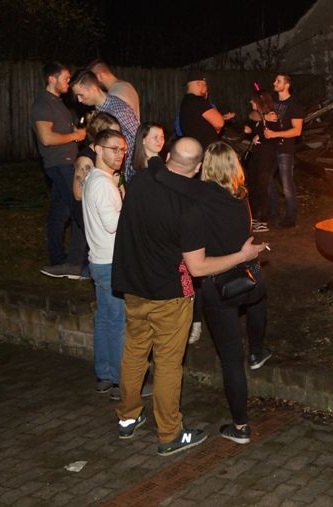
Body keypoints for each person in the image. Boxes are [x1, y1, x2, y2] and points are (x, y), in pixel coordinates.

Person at [111, 137, 263, 456]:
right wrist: (242, 256)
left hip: (134, 284)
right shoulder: (190, 207)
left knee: (135, 351)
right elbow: (198, 267)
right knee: (168, 363)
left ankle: (128, 416)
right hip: (169, 293)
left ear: (170, 155)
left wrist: (155, 160)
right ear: (197, 168)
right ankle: (170, 434)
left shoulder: (139, 182)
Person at [156, 142, 271, 444]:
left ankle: (241, 427)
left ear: (205, 167)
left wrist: (157, 163)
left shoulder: (201, 199)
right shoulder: (241, 195)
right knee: (258, 302)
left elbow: (169, 180)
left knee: (231, 359)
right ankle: (258, 350)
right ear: (235, 166)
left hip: (220, 287)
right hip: (249, 280)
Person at [82, 128, 127, 400]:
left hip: (98, 260)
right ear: (98, 149)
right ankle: (122, 381)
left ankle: (105, 375)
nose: (120, 154)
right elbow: (113, 224)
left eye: (122, 149)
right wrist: (130, 206)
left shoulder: (95, 179)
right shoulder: (102, 183)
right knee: (118, 322)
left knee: (105, 319)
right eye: (114, 149)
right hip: (110, 262)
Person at [31, 61, 86, 280]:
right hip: (60, 164)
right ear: (52, 78)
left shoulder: (58, 103)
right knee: (80, 211)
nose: (68, 83)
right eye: (65, 78)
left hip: (67, 163)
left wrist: (76, 132)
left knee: (59, 214)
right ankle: (76, 263)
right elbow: (46, 138)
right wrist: (75, 136)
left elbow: (61, 132)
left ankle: (58, 260)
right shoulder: (43, 103)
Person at [71, 70, 140, 180]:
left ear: (93, 88)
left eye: (81, 94)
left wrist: (130, 171)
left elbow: (138, 137)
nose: (79, 100)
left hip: (131, 174)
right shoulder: (98, 112)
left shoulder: (117, 108)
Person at [263, 73, 305, 228]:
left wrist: (275, 134)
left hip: (285, 149)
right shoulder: (271, 101)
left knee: (287, 183)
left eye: (278, 81)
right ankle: (273, 212)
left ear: (287, 85)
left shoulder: (295, 105)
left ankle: (290, 218)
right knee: (266, 180)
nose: (274, 83)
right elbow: (254, 113)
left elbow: (297, 131)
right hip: (270, 148)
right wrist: (265, 117)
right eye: (275, 80)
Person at [244, 92, 278, 233]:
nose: (251, 103)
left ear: (260, 102)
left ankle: (264, 220)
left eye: (253, 101)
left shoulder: (272, 116)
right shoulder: (259, 116)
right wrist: (251, 132)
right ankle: (255, 217)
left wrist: (258, 134)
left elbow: (271, 135)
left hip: (266, 156)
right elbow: (253, 127)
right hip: (257, 155)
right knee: (253, 185)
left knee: (263, 187)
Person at [73, 113, 123, 202]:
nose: (118, 138)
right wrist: (111, 183)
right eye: (112, 134)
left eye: (118, 133)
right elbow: (78, 194)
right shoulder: (86, 159)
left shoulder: (113, 153)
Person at [179, 71, 228, 150]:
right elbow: (219, 123)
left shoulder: (186, 102)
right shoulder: (197, 100)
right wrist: (217, 129)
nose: (206, 87)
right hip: (206, 150)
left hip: (196, 150)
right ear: (198, 83)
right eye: (205, 84)